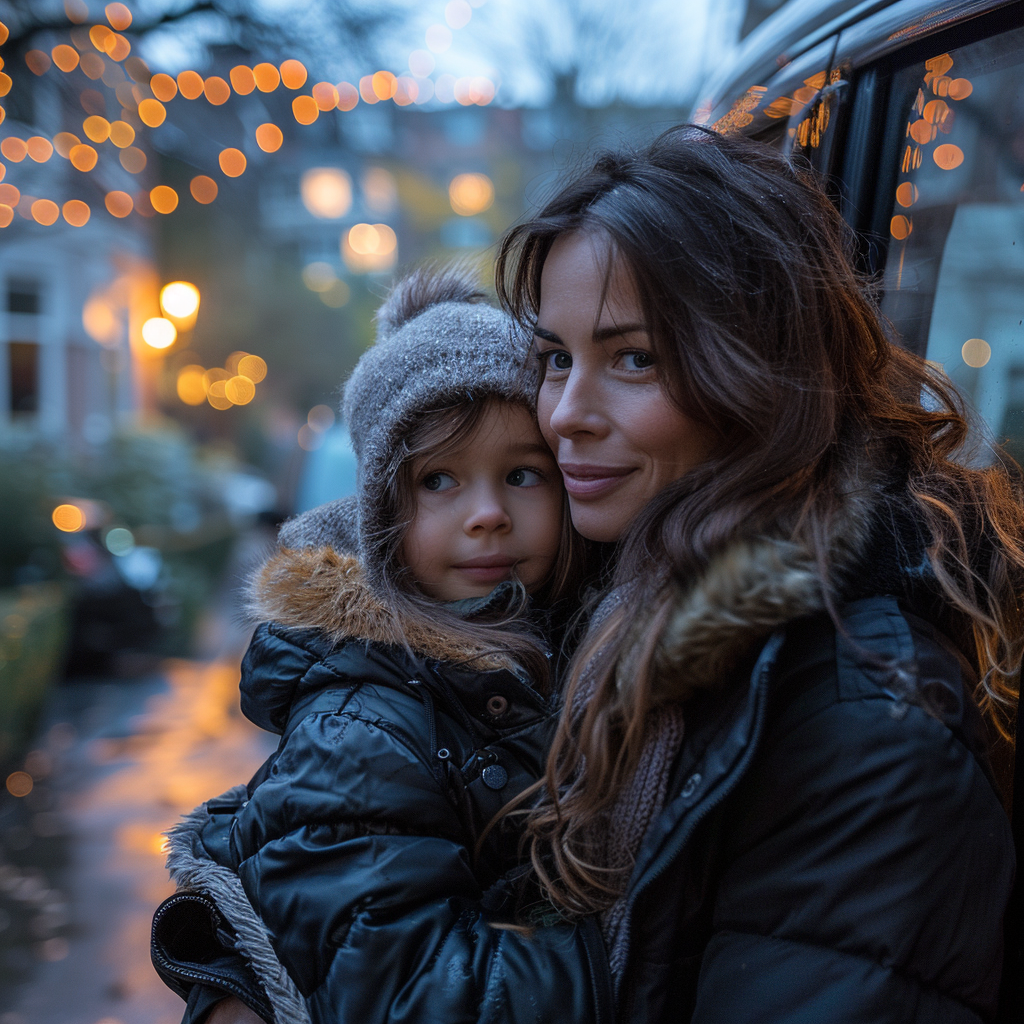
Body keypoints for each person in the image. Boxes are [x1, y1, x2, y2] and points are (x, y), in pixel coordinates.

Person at [158, 125, 1020, 1024]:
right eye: (557, 360)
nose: (566, 413)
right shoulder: (587, 593)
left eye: (633, 358)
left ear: (756, 370)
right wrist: (240, 971)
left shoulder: (859, 708)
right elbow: (334, 886)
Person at [151, 264, 592, 1023]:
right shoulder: (359, 726)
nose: (487, 513)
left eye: (522, 473)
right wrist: (635, 949)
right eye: (438, 482)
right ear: (381, 515)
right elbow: (406, 992)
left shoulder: (551, 642)